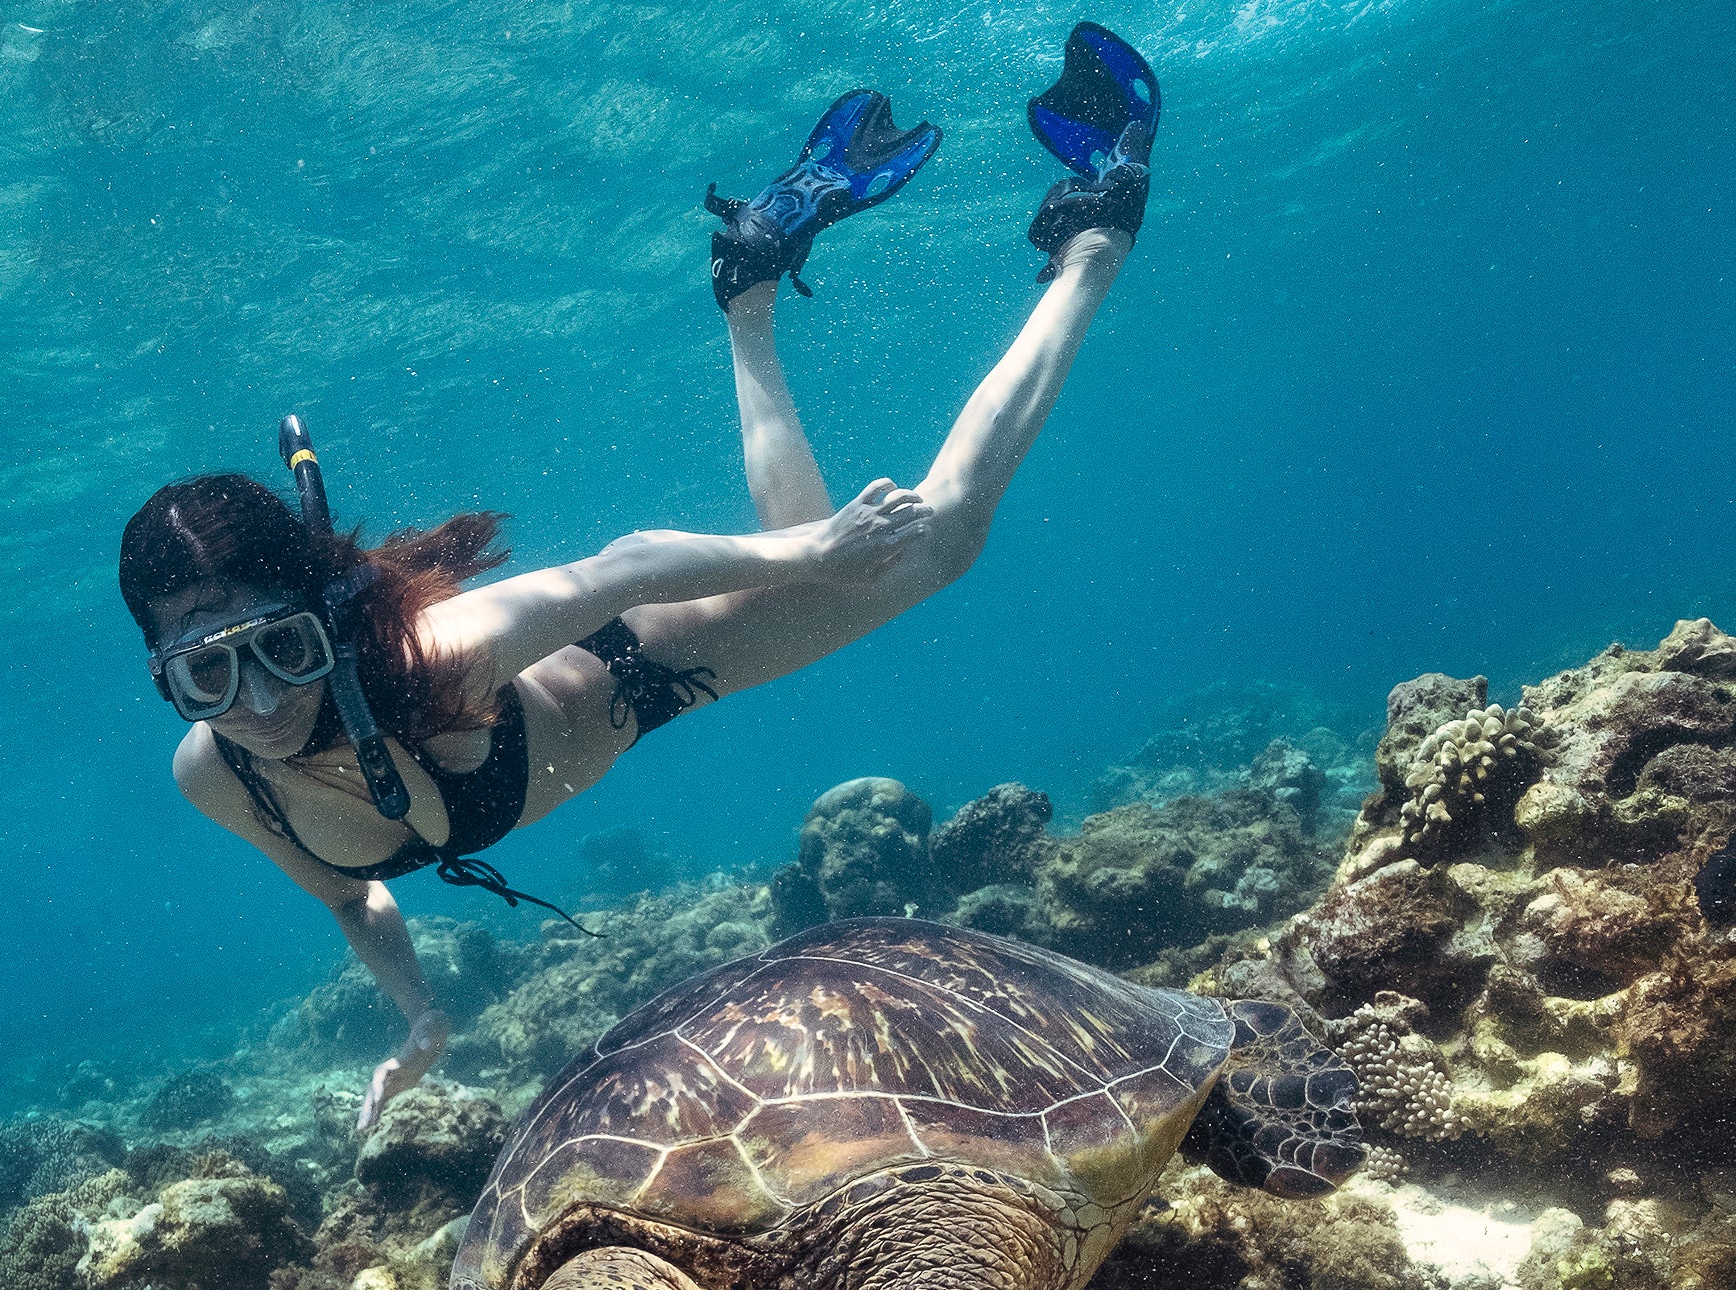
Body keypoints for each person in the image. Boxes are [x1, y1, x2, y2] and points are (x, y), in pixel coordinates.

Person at [118, 25, 1159, 1133]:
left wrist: (814, 559)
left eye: (279, 650)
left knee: (932, 546)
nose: (262, 703)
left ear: (320, 620)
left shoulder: (432, 656)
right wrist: (419, 1015)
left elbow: (626, 570)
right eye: (206, 676)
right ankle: (750, 279)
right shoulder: (216, 777)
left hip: (652, 664)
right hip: (624, 694)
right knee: (809, 529)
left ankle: (1095, 228)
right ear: (163, 679)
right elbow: (348, 895)